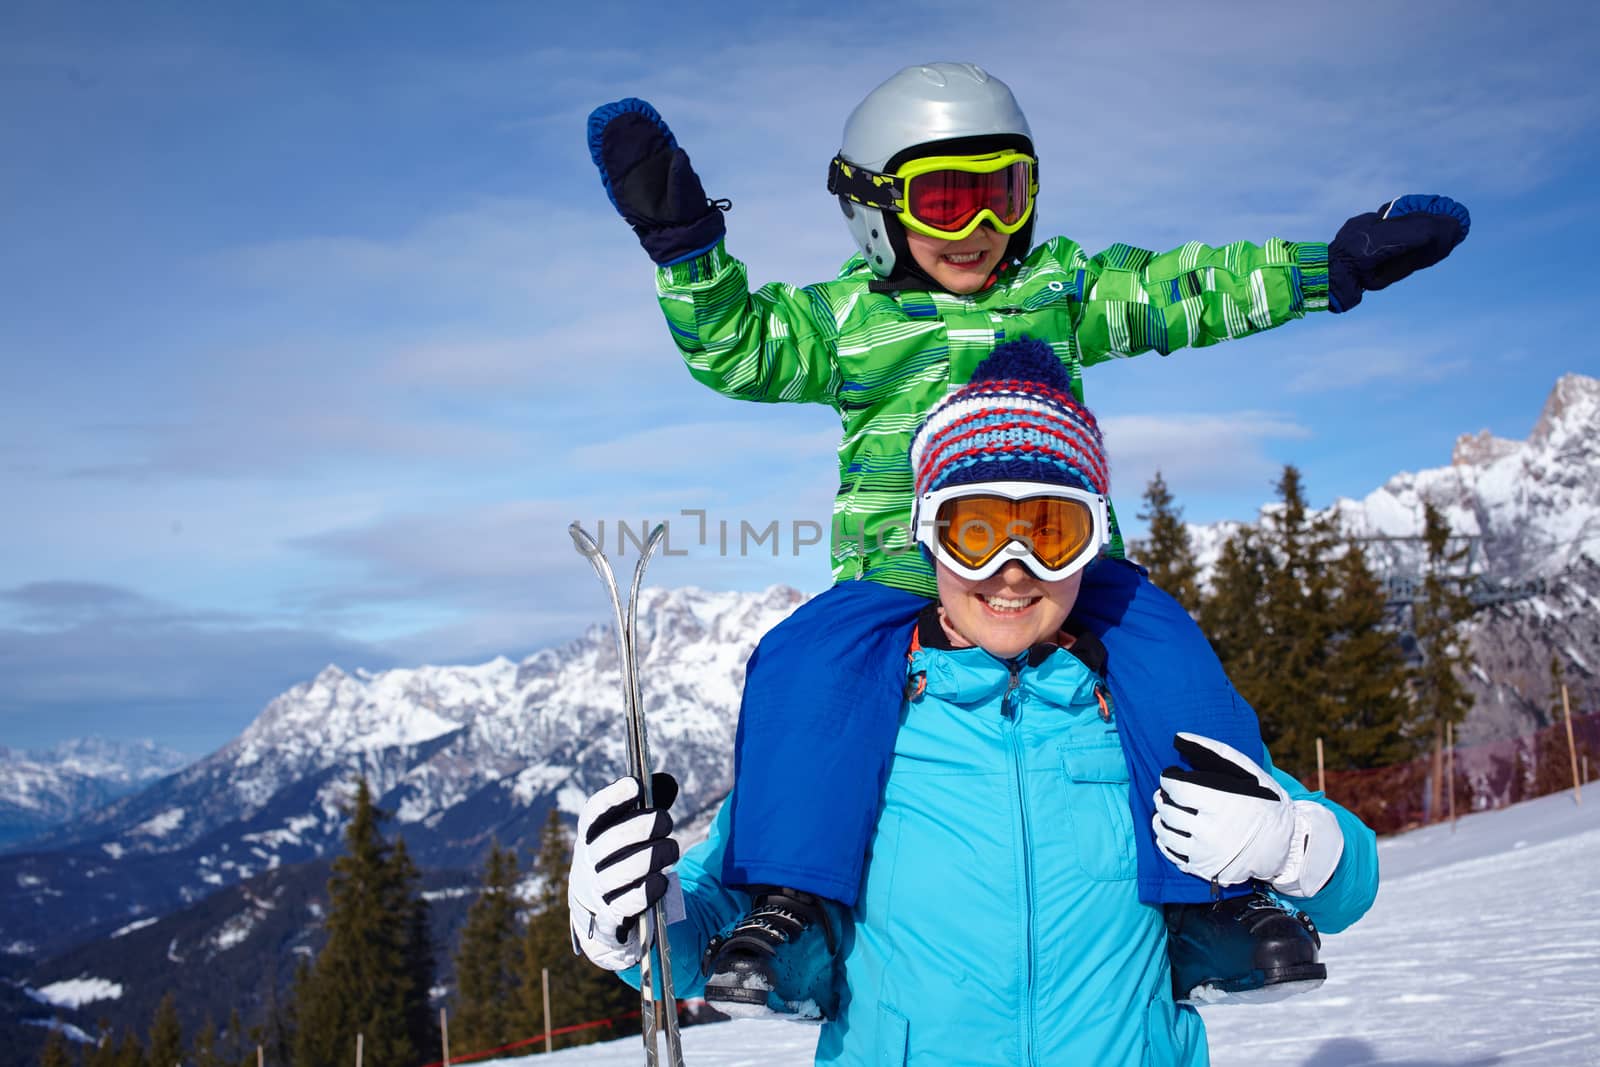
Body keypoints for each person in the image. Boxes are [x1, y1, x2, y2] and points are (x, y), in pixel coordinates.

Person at [585, 61, 1457, 1012]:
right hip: (895, 571)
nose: (979, 231)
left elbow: (1184, 289)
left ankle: (1212, 896)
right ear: (877, 207)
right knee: (802, 664)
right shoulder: (842, 322)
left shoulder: (1060, 288)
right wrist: (686, 250)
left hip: (1065, 561)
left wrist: (1325, 269)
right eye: (945, 202)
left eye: (1001, 195)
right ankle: (795, 905)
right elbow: (740, 346)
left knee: (1165, 649)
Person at [566, 340, 1381, 1063]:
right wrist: (631, 916)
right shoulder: (854, 723)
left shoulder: (1139, 712)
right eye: (977, 532)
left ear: (1093, 544)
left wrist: (1292, 842)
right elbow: (708, 919)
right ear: (929, 537)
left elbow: (1351, 885)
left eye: (1051, 532)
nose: (1014, 568)